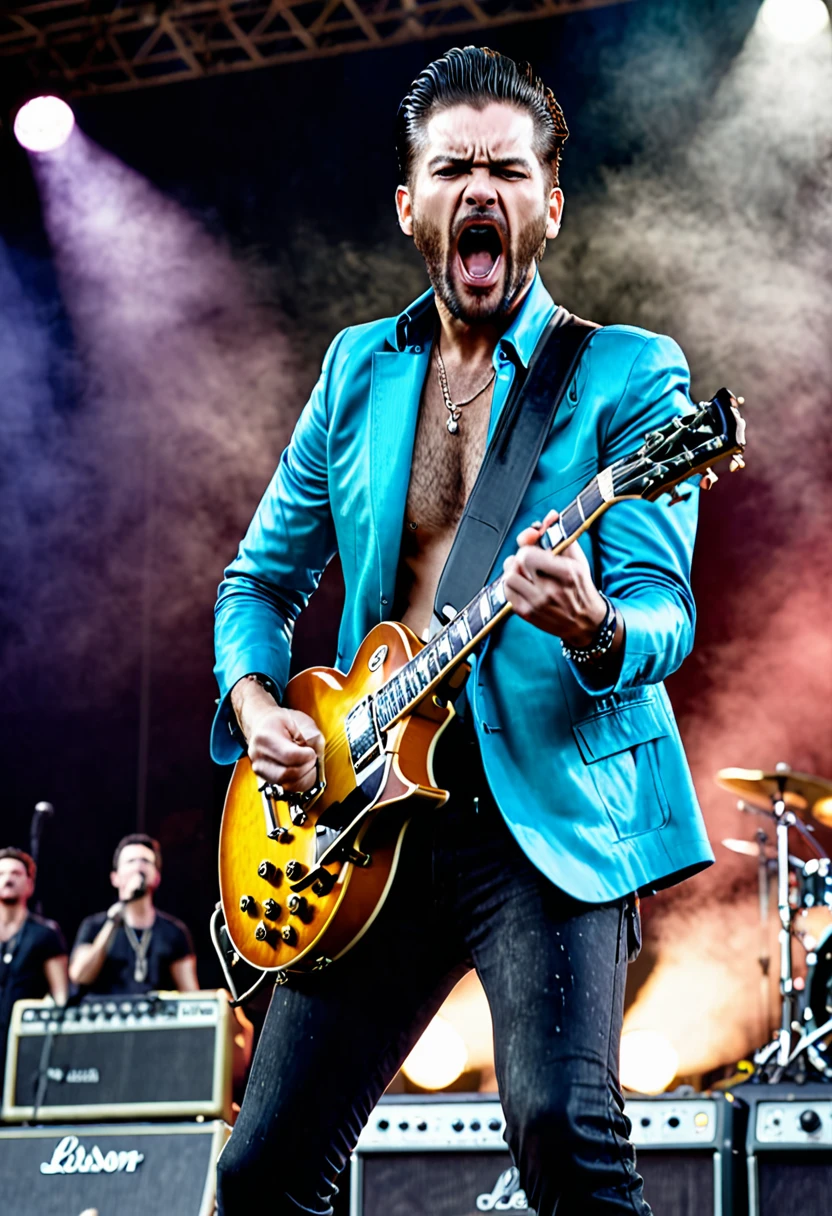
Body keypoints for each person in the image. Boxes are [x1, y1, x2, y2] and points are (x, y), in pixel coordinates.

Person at [211, 47, 715, 1215]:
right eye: (450, 169)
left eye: (506, 168)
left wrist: (591, 622)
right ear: (410, 206)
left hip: (540, 817)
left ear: (548, 202)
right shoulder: (356, 369)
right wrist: (259, 707)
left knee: (561, 1132)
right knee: (262, 1170)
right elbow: (257, 582)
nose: (477, 190)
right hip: (367, 819)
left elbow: (661, 611)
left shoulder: (630, 376)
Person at [69, 833, 199, 995]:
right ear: (114, 878)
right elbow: (80, 976)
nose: (138, 866)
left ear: (157, 877)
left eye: (146, 861)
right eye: (131, 861)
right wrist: (114, 921)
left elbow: (191, 994)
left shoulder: (175, 931)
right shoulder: (94, 926)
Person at [0, 847, 68, 1098]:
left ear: (29, 884)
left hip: (23, 1044)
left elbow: (61, 995)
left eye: (16, 873)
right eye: (2, 873)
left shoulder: (45, 933)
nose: (7, 878)